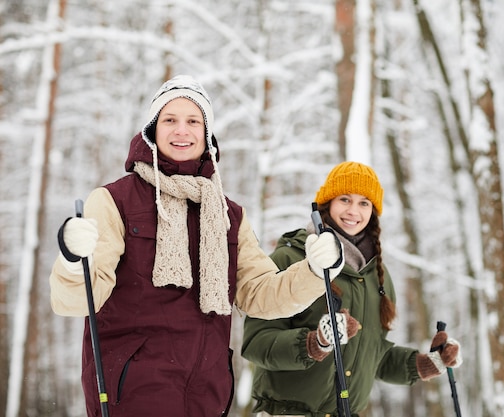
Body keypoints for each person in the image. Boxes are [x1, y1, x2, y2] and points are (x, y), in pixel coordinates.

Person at [49, 75, 344, 417]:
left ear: (207, 135)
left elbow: (261, 294)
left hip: (207, 394)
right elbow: (76, 301)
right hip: (132, 394)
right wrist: (73, 261)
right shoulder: (115, 201)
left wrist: (314, 271)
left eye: (193, 121)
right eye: (169, 120)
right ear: (151, 130)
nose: (181, 131)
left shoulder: (228, 214)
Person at [242, 161, 463, 416]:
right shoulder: (290, 259)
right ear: (328, 204)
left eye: (364, 203)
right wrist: (316, 343)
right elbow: (256, 343)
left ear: (373, 211)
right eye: (345, 199)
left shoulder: (376, 277)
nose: (353, 211)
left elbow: (372, 357)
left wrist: (427, 363)